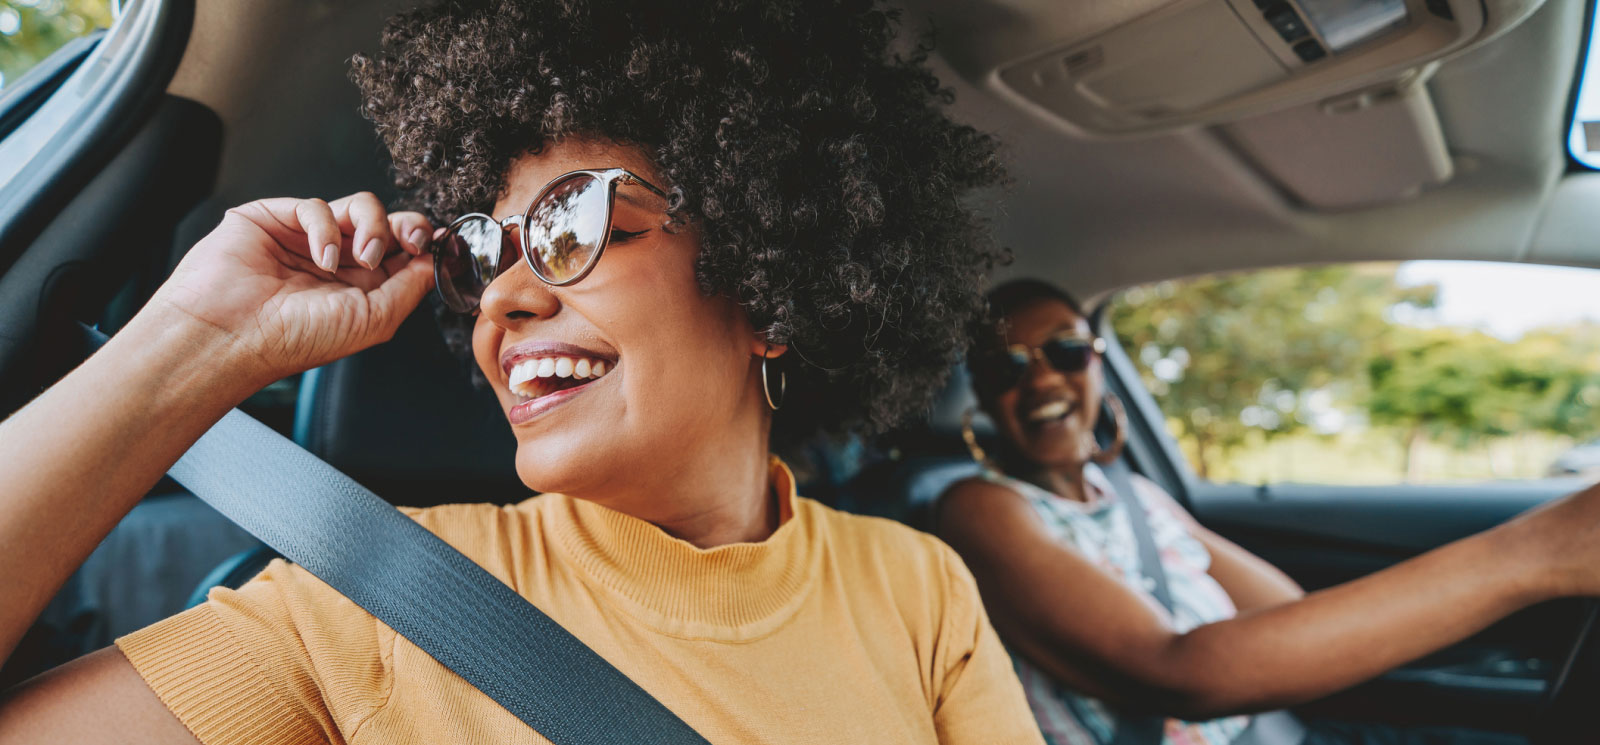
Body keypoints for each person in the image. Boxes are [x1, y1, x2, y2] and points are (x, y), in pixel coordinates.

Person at [0, 1, 1045, 742]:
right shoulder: (375, 601)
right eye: (484, 255)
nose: (502, 297)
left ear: (772, 285)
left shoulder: (917, 589)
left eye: (572, 224)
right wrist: (191, 341)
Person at [936, 279, 1600, 745]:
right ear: (983, 401)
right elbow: (1177, 670)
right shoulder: (979, 509)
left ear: (1099, 365)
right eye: (1005, 367)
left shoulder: (1136, 496)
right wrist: (1534, 555)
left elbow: (1281, 609)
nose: (1044, 378)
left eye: (1067, 350)